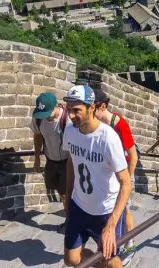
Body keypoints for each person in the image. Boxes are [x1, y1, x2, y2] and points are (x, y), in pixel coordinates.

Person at [61, 84, 131, 268]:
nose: (71, 115)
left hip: (105, 211)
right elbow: (71, 163)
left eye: (76, 110)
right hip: (79, 206)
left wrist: (111, 225)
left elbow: (126, 183)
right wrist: (68, 197)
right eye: (69, 110)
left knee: (112, 262)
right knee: (71, 259)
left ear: (91, 108)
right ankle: (95, 260)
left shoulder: (107, 138)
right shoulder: (70, 130)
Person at [93, 88, 138, 264]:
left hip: (124, 174)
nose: (91, 111)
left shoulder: (120, 125)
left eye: (93, 107)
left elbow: (133, 156)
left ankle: (130, 243)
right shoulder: (100, 125)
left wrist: (126, 180)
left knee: (124, 208)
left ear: (103, 106)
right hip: (110, 174)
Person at [31, 91, 70, 221]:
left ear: (55, 107)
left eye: (48, 114)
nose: (46, 117)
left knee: (66, 194)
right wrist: (37, 158)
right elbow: (37, 136)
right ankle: (70, 217)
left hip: (67, 161)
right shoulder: (38, 118)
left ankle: (70, 223)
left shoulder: (67, 120)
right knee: (59, 190)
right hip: (51, 161)